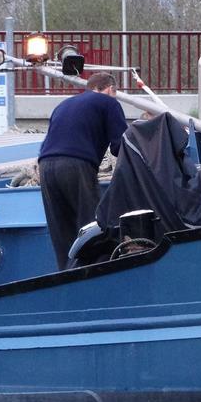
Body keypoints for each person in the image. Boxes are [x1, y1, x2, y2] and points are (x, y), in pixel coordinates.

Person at [38, 72, 128, 269]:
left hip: (45, 166)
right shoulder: (109, 103)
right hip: (77, 164)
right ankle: (95, 272)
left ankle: (66, 274)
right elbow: (120, 145)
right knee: (91, 227)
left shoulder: (63, 105)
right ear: (110, 89)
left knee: (62, 233)